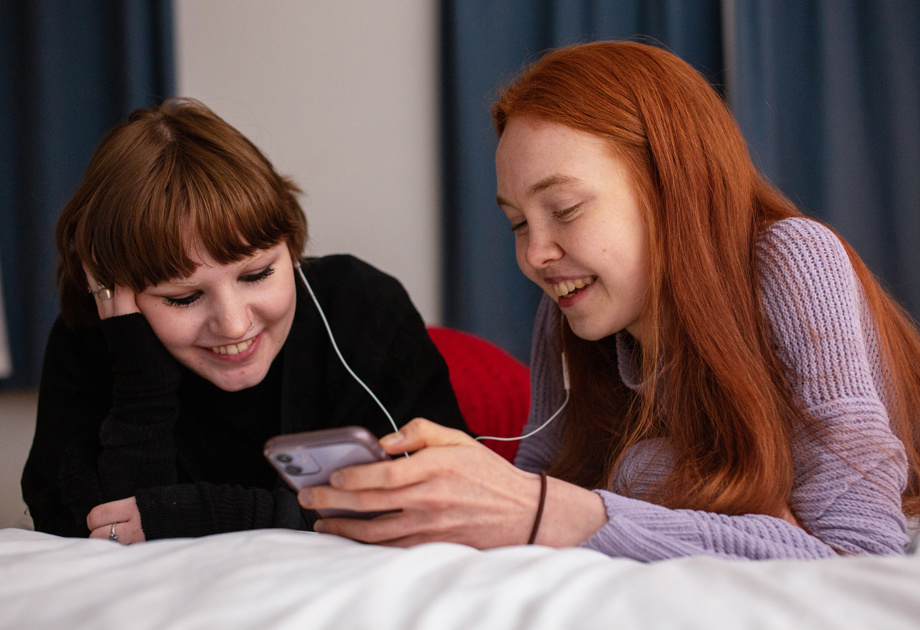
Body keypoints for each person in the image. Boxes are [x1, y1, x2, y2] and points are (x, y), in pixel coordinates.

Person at [298, 41, 920, 561]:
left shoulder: (791, 260)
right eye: (517, 223)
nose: (534, 255)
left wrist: (567, 508)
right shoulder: (565, 316)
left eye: (564, 209)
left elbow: (861, 552)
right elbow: (547, 500)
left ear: (674, 186)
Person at [21, 98, 466, 543]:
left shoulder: (362, 307)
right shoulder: (88, 341)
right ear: (117, 291)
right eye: (184, 297)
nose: (234, 326)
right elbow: (89, 537)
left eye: (257, 275)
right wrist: (141, 385)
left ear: (291, 245)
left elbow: (451, 500)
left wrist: (211, 515)